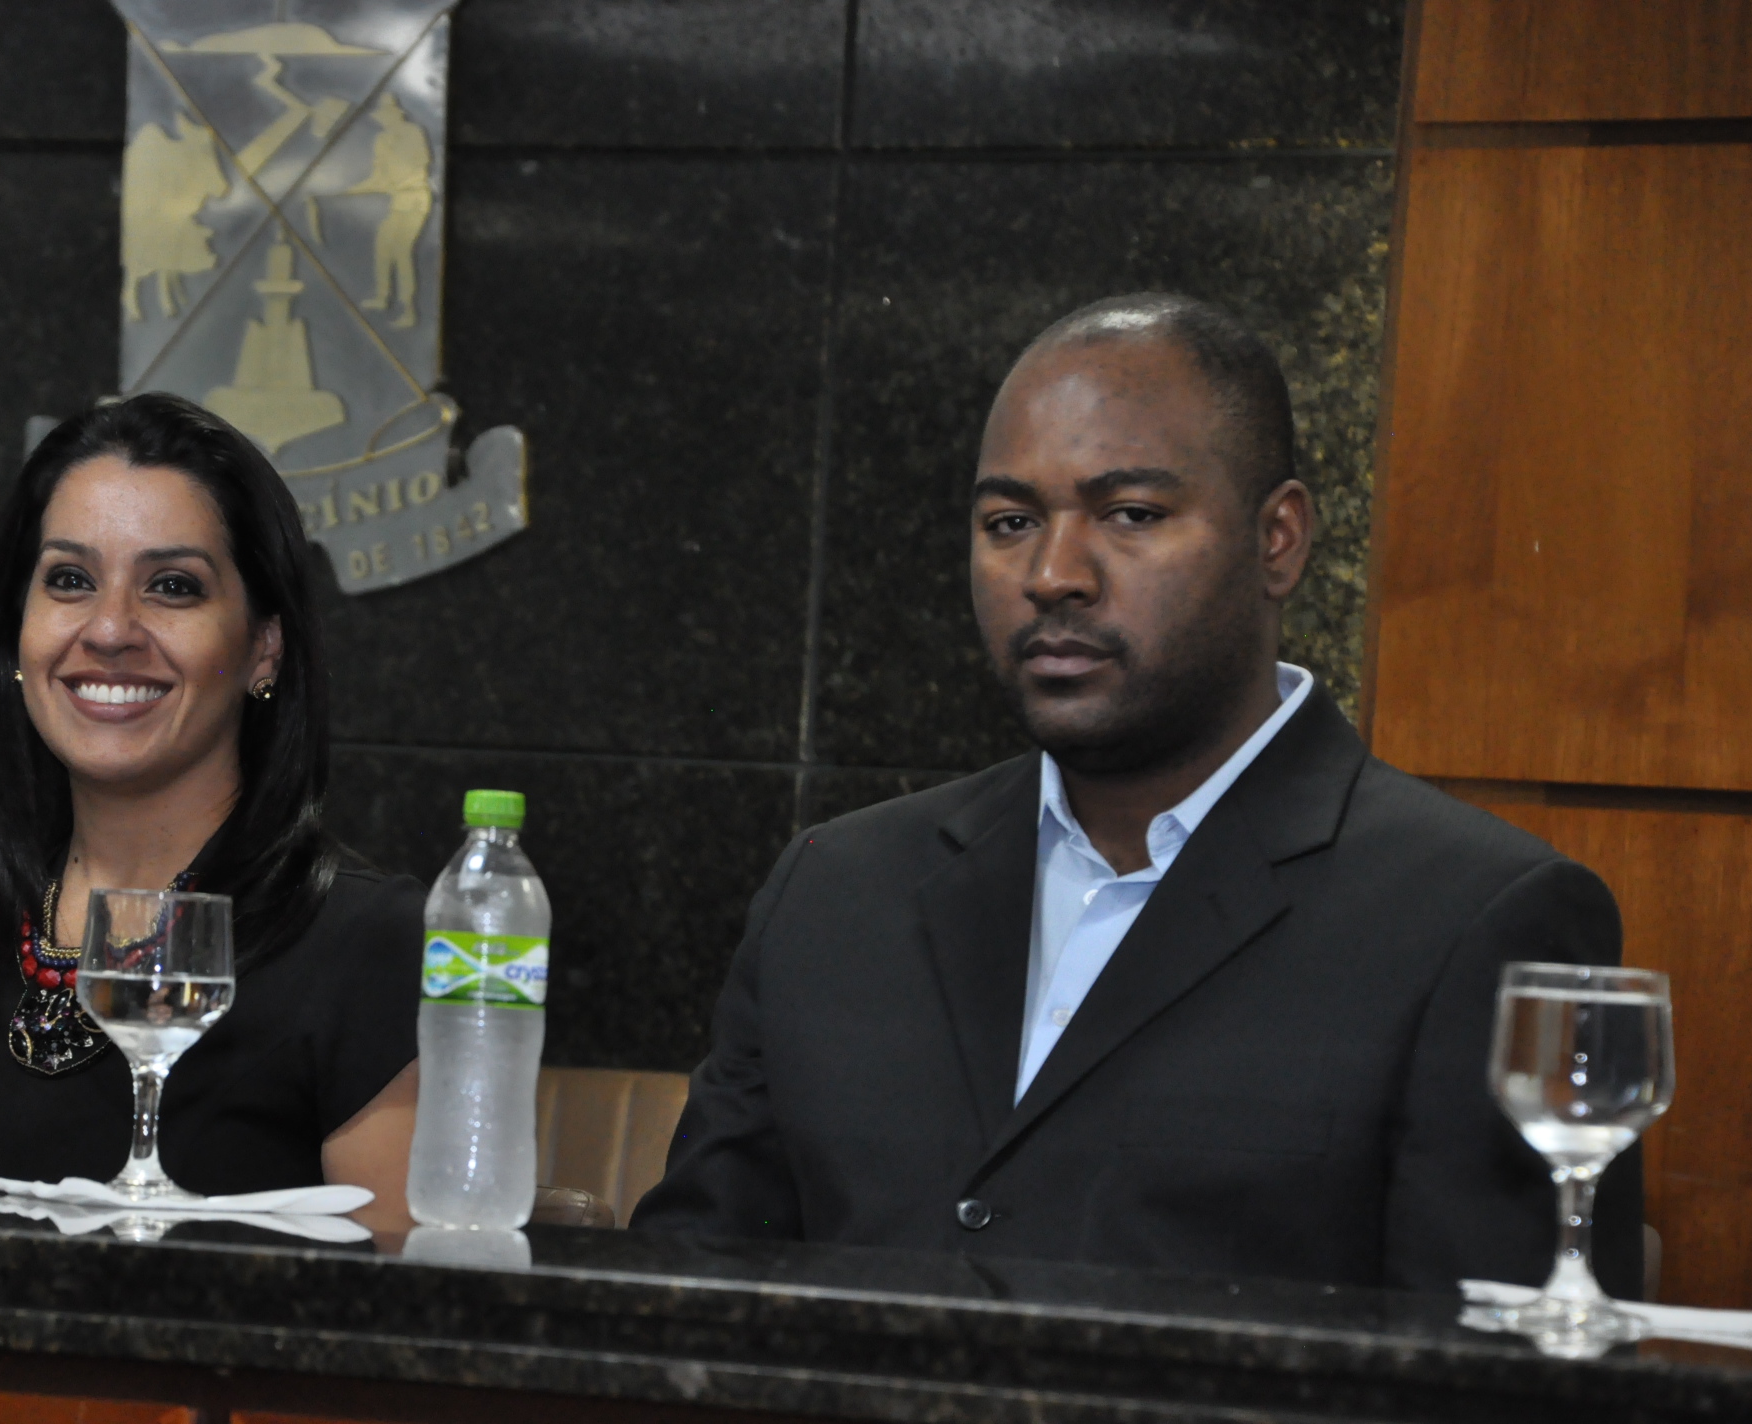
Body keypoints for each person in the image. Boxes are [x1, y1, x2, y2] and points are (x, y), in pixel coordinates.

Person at [631, 293, 1643, 1294]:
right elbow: (679, 1301)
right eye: (1009, 521)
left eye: (1130, 515)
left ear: (1277, 540)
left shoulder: (1475, 918)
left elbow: (1505, 1364)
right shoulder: (833, 890)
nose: (1052, 573)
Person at [0, 394, 422, 1229]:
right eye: (70, 580)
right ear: (18, 631)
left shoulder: (370, 947)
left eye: (173, 587)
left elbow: (407, 1298)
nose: (111, 628)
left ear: (263, 648)